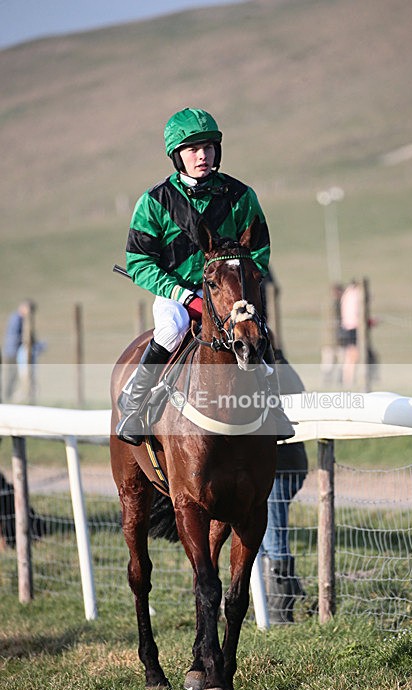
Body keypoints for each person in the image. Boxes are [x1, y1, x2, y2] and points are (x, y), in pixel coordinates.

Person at [115, 107, 293, 444]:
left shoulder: (241, 196)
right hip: (177, 295)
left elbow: (258, 251)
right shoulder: (154, 202)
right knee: (170, 330)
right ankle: (135, 406)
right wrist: (179, 293)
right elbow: (139, 261)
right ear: (177, 156)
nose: (203, 156)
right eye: (193, 149)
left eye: (209, 147)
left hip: (228, 296)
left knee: (257, 333)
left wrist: (240, 291)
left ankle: (274, 408)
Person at [261, 347, 308, 623]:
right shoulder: (282, 366)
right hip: (287, 463)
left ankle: (280, 613)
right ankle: (281, 599)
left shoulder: (272, 370)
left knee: (273, 539)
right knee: (266, 537)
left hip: (280, 466)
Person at [2, 300, 33, 401]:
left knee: (12, 375)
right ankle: (7, 396)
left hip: (11, 350)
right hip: (12, 351)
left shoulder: (16, 318)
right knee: (11, 374)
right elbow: (15, 336)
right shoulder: (17, 319)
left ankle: (7, 396)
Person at [339, 279, 361, 386]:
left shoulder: (346, 294)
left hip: (345, 326)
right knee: (353, 356)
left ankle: (347, 379)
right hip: (353, 327)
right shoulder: (355, 294)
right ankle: (349, 380)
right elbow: (357, 312)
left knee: (348, 356)